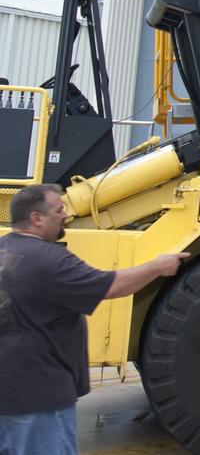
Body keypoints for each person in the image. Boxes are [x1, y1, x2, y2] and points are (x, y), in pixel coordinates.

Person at [0, 184, 189, 454]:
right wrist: (158, 266)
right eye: (58, 209)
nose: (65, 214)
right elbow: (112, 286)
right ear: (36, 218)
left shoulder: (4, 249)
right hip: (39, 400)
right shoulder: (50, 260)